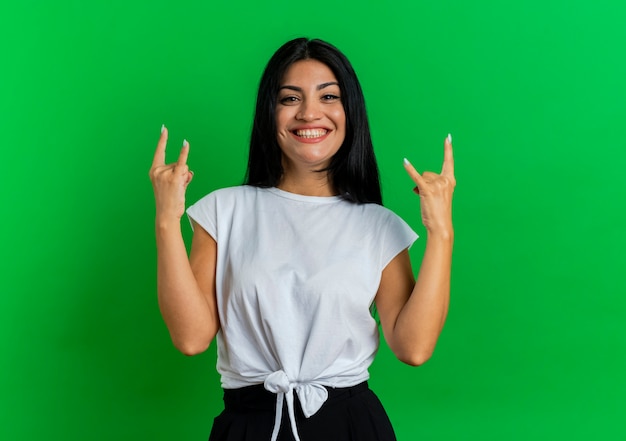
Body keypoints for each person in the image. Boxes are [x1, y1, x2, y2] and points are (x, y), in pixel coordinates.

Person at [149, 37, 455, 441]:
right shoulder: (224, 211)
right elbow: (190, 338)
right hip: (251, 424)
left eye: (329, 96)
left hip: (350, 426)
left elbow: (413, 348)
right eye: (290, 98)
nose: (310, 112)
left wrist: (441, 231)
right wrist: (167, 220)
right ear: (269, 113)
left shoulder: (377, 225)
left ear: (350, 112)